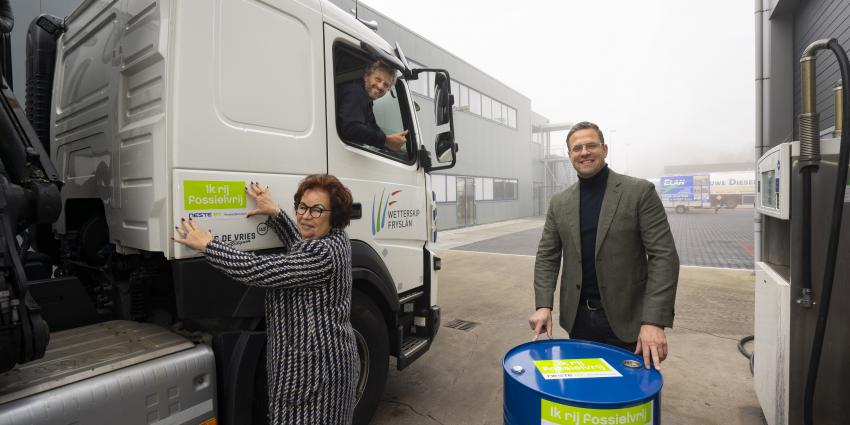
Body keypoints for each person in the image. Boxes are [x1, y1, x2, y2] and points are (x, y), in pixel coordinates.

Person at [174, 176, 358, 425]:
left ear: (334, 214)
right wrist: (277, 214)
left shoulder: (324, 253)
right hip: (323, 365)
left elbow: (260, 270)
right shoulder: (331, 240)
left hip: (318, 375)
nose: (305, 216)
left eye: (317, 210)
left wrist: (209, 246)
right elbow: (299, 247)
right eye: (302, 207)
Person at [528, 121, 679, 370]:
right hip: (579, 321)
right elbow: (547, 256)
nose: (584, 152)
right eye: (577, 148)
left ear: (605, 149)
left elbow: (664, 257)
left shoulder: (639, 192)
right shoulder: (560, 202)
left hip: (629, 321)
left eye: (591, 145)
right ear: (569, 155)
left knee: (628, 396)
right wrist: (544, 305)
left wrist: (653, 321)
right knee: (583, 395)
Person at [337, 60, 409, 152]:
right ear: (366, 76)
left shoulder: (367, 101)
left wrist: (392, 145)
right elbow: (351, 128)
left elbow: (372, 128)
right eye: (378, 79)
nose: (380, 86)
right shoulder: (356, 91)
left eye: (386, 84)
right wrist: (386, 140)